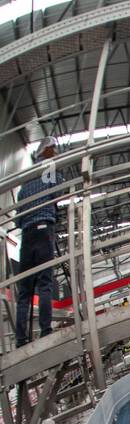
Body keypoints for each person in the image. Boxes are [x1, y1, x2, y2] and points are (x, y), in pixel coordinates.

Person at [13, 137, 63, 347]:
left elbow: (17, 217)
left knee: (24, 291)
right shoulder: (49, 170)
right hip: (44, 230)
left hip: (27, 235)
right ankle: (45, 330)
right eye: (54, 150)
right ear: (47, 151)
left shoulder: (26, 182)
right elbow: (57, 192)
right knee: (44, 283)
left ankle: (21, 338)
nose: (56, 153)